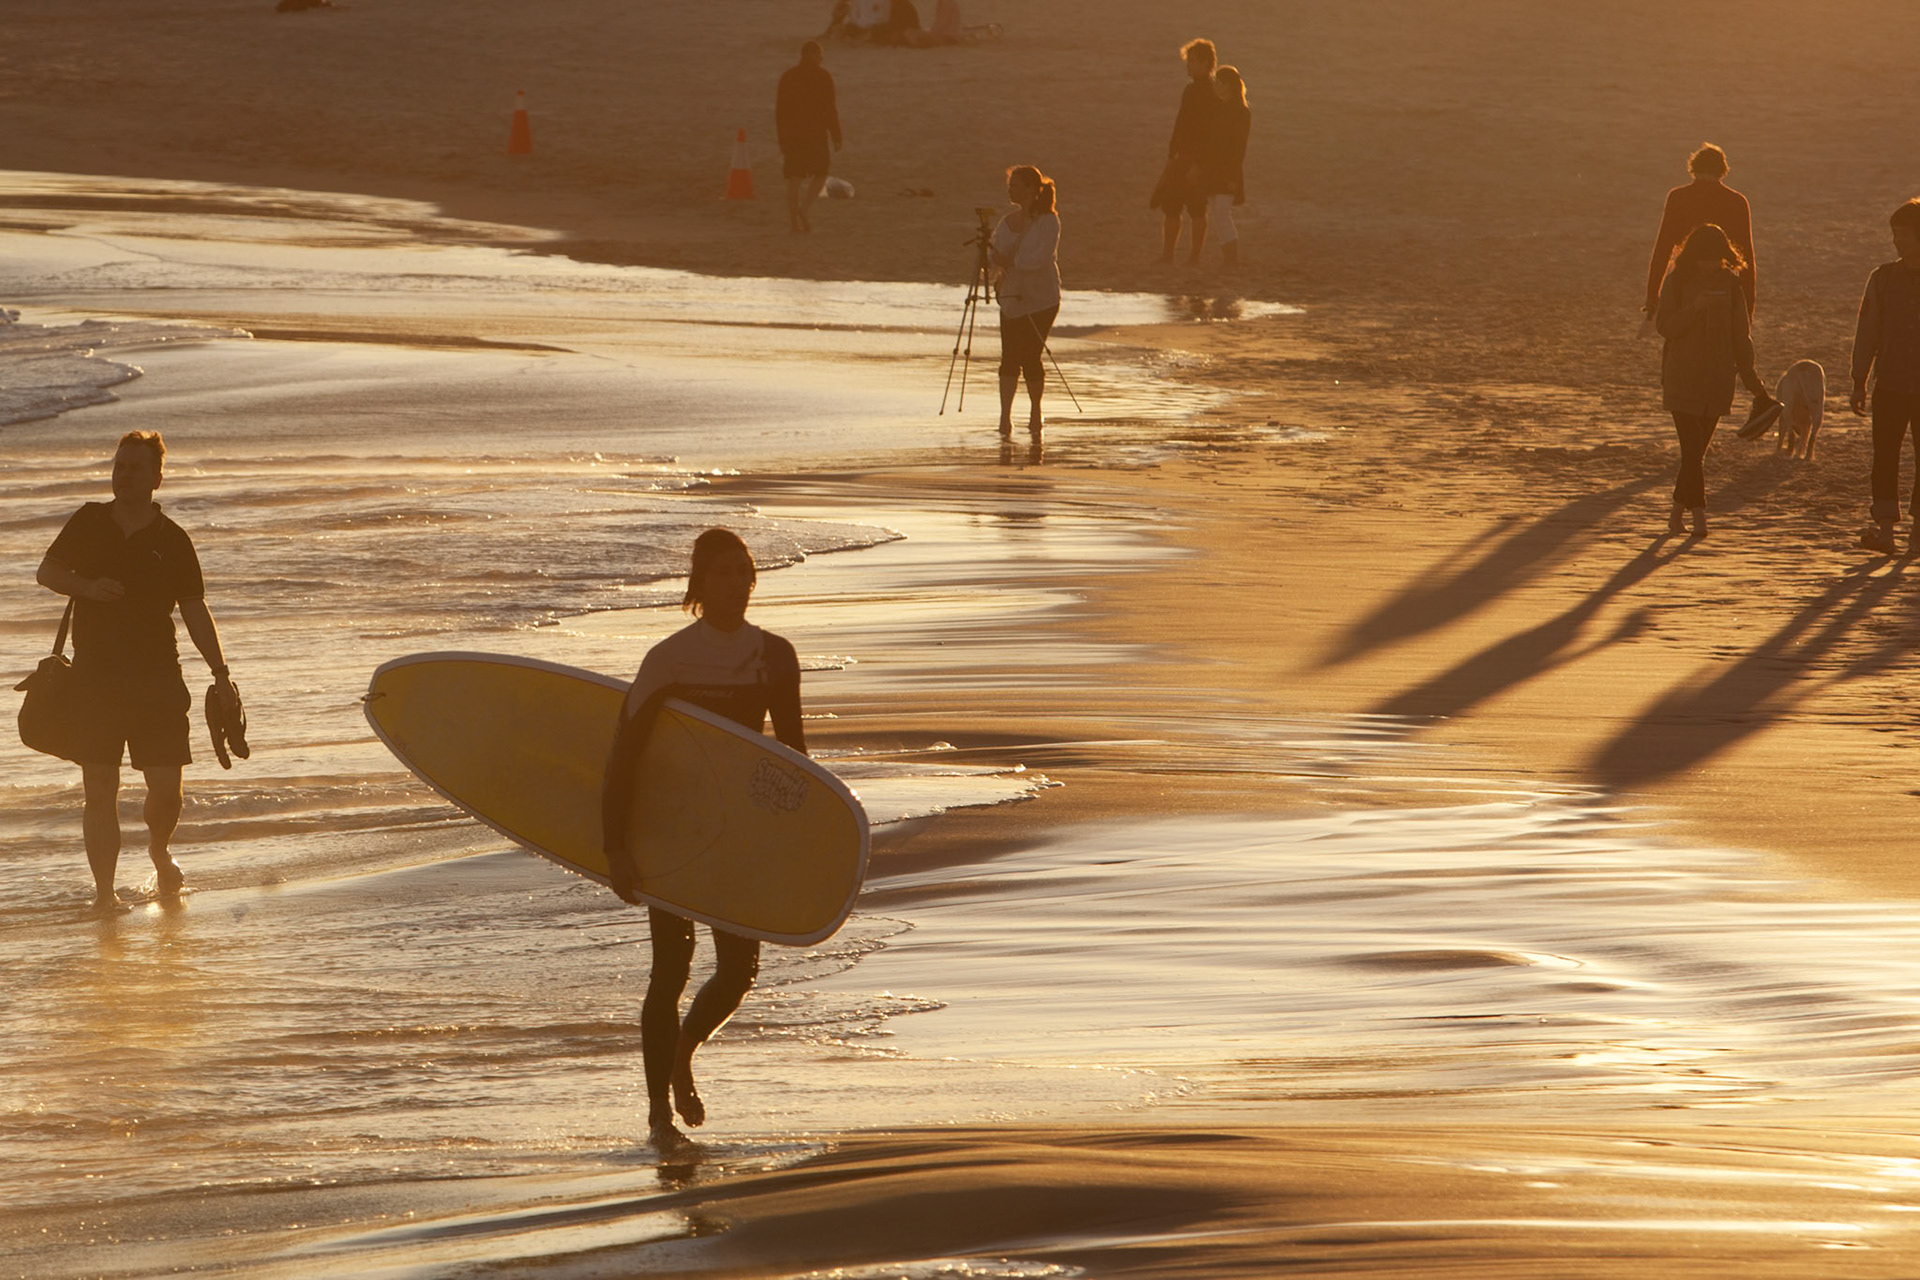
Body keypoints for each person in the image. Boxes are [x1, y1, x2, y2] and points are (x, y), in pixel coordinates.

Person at [600, 529, 806, 1138]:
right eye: (721, 573)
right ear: (699, 582)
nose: (736, 583)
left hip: (740, 833)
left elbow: (794, 756)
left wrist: (800, 841)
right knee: (671, 968)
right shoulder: (669, 658)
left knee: (740, 970)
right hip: (672, 829)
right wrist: (616, 846)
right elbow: (625, 753)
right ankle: (659, 1112)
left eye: (744, 571)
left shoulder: (775, 655)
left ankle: (683, 1053)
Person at [35, 431, 238, 908]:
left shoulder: (173, 540)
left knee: (167, 793)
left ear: (156, 478)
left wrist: (221, 673)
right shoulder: (88, 521)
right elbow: (47, 572)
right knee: (100, 788)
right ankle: (105, 895)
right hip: (94, 678)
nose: (123, 475)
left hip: (158, 680)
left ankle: (159, 850)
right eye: (118, 466)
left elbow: (194, 609)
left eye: (134, 468)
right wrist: (85, 586)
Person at [1655, 224, 1771, 537]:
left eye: (1716, 258)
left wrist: (1752, 381)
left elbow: (1740, 335)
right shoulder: (1676, 282)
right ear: (1692, 256)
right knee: (1692, 451)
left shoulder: (1731, 285)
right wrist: (1695, 308)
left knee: (1695, 453)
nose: (1709, 265)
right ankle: (1700, 518)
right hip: (1681, 377)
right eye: (1704, 258)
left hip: (1718, 380)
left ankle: (1676, 513)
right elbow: (1665, 326)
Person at [1849, 198, 1920, 554]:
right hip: (1889, 382)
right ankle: (1888, 532)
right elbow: (1868, 331)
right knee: (1885, 456)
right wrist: (1858, 379)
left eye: (1904, 236)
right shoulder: (1882, 278)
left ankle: (1918, 535)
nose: (1897, 243)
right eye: (1895, 235)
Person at [1644, 143, 1756, 325]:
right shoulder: (1737, 201)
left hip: (1684, 279)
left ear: (1693, 168)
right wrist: (1748, 305)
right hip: (1721, 283)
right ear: (1722, 170)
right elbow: (1746, 257)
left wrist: (1652, 295)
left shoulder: (1677, 197)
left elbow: (1662, 248)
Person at [990, 164, 1061, 442]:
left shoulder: (1049, 221)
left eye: (1016, 185)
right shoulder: (1006, 222)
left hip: (1042, 298)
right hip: (1011, 297)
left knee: (1030, 355)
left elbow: (1040, 258)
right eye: (1010, 185)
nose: (1011, 189)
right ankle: (1004, 417)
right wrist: (991, 258)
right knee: (1009, 357)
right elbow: (994, 255)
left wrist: (1011, 261)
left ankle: (1035, 411)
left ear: (1031, 189)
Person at [1151, 38, 1220, 266]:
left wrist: (1199, 164)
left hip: (1197, 159)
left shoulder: (1211, 92)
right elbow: (1181, 123)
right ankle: (1168, 254)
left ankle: (1194, 257)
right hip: (1182, 157)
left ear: (1204, 62)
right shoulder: (1190, 90)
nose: (1188, 66)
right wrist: (1173, 153)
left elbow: (1211, 132)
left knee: (1197, 208)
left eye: (1191, 61)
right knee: (1171, 206)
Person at [775, 42, 843, 234]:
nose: (821, 60)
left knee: (794, 179)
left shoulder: (787, 77)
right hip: (816, 134)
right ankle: (803, 210)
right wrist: (836, 135)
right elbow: (830, 108)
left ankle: (793, 224)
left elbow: (780, 112)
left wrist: (781, 139)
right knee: (821, 174)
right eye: (820, 56)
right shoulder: (823, 76)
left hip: (792, 135)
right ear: (812, 55)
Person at [1211, 65, 1251, 268]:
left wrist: (1233, 176)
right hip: (1218, 168)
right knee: (1219, 213)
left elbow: (1238, 148)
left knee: (1221, 213)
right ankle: (1229, 259)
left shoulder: (1240, 112)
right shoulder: (1220, 108)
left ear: (1228, 85)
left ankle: (1232, 260)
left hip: (1229, 170)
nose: (1215, 85)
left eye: (1219, 82)